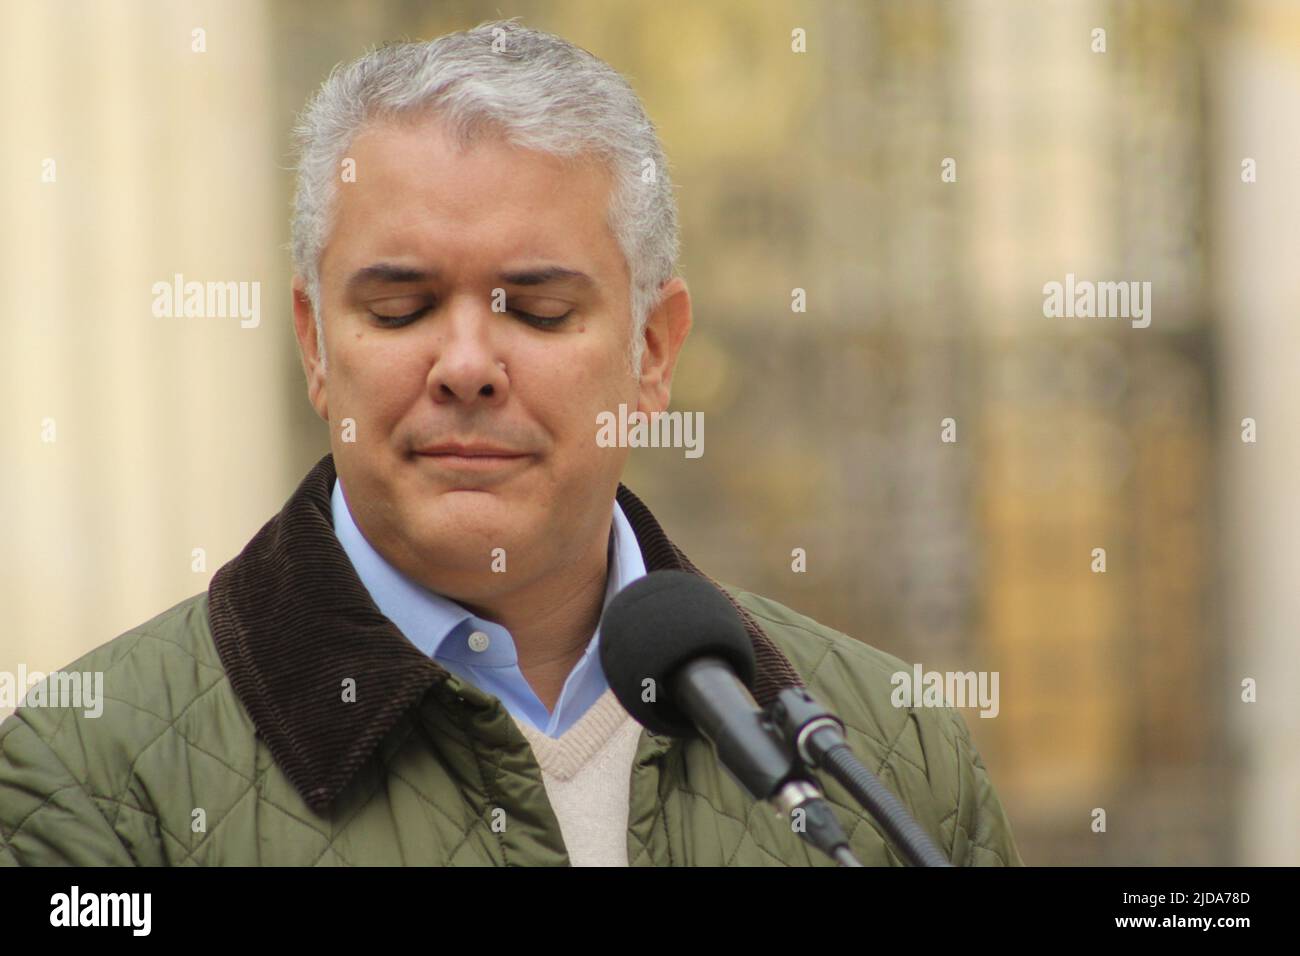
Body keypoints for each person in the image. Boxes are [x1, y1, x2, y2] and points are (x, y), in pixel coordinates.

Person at [0, 18, 1022, 866]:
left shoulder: (892, 754)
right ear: (316, 346)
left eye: (535, 311)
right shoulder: (94, 782)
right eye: (400, 308)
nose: (466, 365)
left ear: (653, 351)